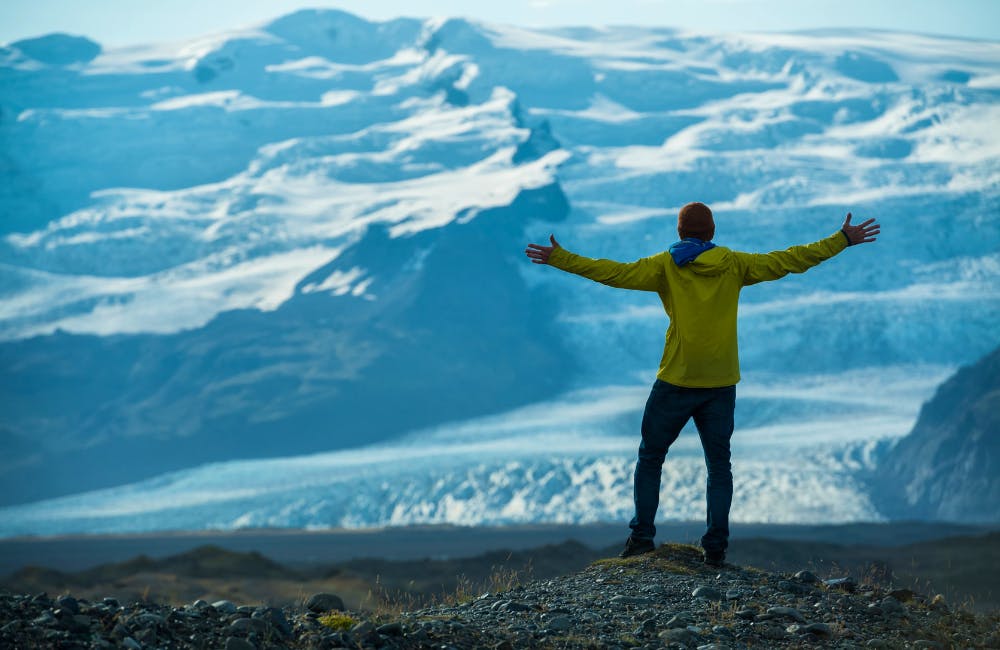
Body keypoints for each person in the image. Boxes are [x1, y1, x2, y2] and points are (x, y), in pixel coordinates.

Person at [525, 202, 879, 566]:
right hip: (721, 382)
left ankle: (642, 538)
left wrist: (561, 258)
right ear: (712, 232)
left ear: (680, 232)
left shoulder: (665, 265)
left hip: (676, 379)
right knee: (718, 466)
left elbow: (613, 273)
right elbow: (789, 259)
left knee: (650, 458)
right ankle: (715, 548)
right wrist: (841, 240)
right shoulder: (735, 264)